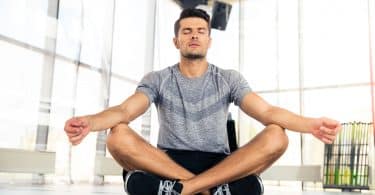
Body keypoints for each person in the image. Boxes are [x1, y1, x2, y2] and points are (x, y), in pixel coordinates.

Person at [64, 8, 341, 195]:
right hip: (167, 160)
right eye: (186, 31)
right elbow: (125, 110)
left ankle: (180, 190)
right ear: (176, 41)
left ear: (209, 40)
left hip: (218, 163)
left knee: (277, 136)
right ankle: (213, 191)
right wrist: (90, 122)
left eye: (200, 30)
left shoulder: (228, 79)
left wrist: (310, 125)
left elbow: (267, 112)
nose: (194, 35)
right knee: (117, 136)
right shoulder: (159, 79)